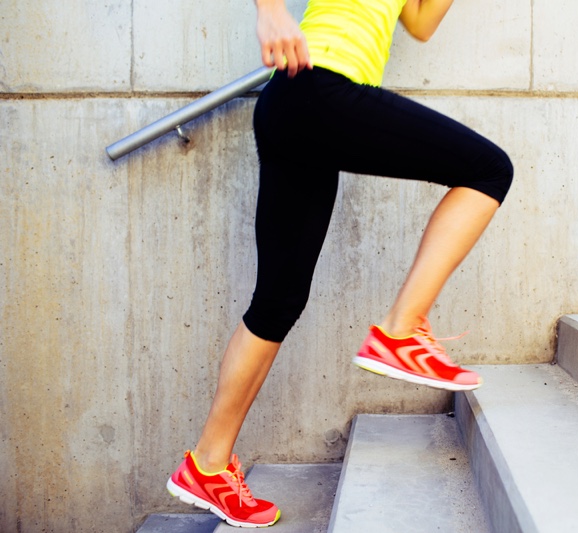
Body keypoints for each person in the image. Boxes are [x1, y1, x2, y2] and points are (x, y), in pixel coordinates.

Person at [166, 0, 513, 527]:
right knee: (489, 169)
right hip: (319, 87)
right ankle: (401, 331)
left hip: (300, 107)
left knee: (278, 302)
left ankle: (208, 465)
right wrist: (270, 10)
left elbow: (419, 24)